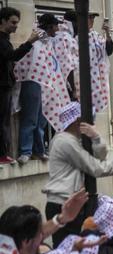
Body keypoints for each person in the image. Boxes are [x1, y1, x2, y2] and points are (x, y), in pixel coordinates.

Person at [43, 102, 113, 244]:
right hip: (64, 203)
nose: (92, 123)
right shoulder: (65, 142)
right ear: (78, 121)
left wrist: (95, 137)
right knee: (71, 247)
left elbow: (100, 156)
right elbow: (95, 167)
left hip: (71, 202)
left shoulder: (74, 141)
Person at [15, 12, 59, 164]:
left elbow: (52, 64)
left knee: (41, 119)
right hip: (32, 81)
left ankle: (38, 150)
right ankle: (25, 151)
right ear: (50, 26)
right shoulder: (35, 39)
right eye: (55, 26)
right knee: (30, 118)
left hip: (45, 83)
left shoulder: (47, 43)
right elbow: (25, 60)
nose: (57, 30)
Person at [0, 7, 41, 164]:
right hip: (2, 85)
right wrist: (30, 42)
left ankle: (3, 153)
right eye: (13, 22)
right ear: (2, 21)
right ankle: (2, 154)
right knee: (2, 120)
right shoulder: (1, 40)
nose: (16, 26)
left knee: (4, 120)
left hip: (5, 84)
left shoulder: (5, 39)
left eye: (17, 23)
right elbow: (12, 56)